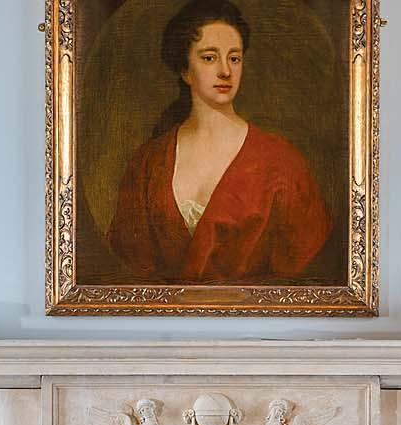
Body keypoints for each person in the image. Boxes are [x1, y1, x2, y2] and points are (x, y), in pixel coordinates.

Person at [106, 0, 333, 284]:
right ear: (185, 70)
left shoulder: (283, 163)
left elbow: (304, 270)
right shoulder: (149, 162)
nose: (225, 71)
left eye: (234, 58)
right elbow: (130, 261)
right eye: (209, 57)